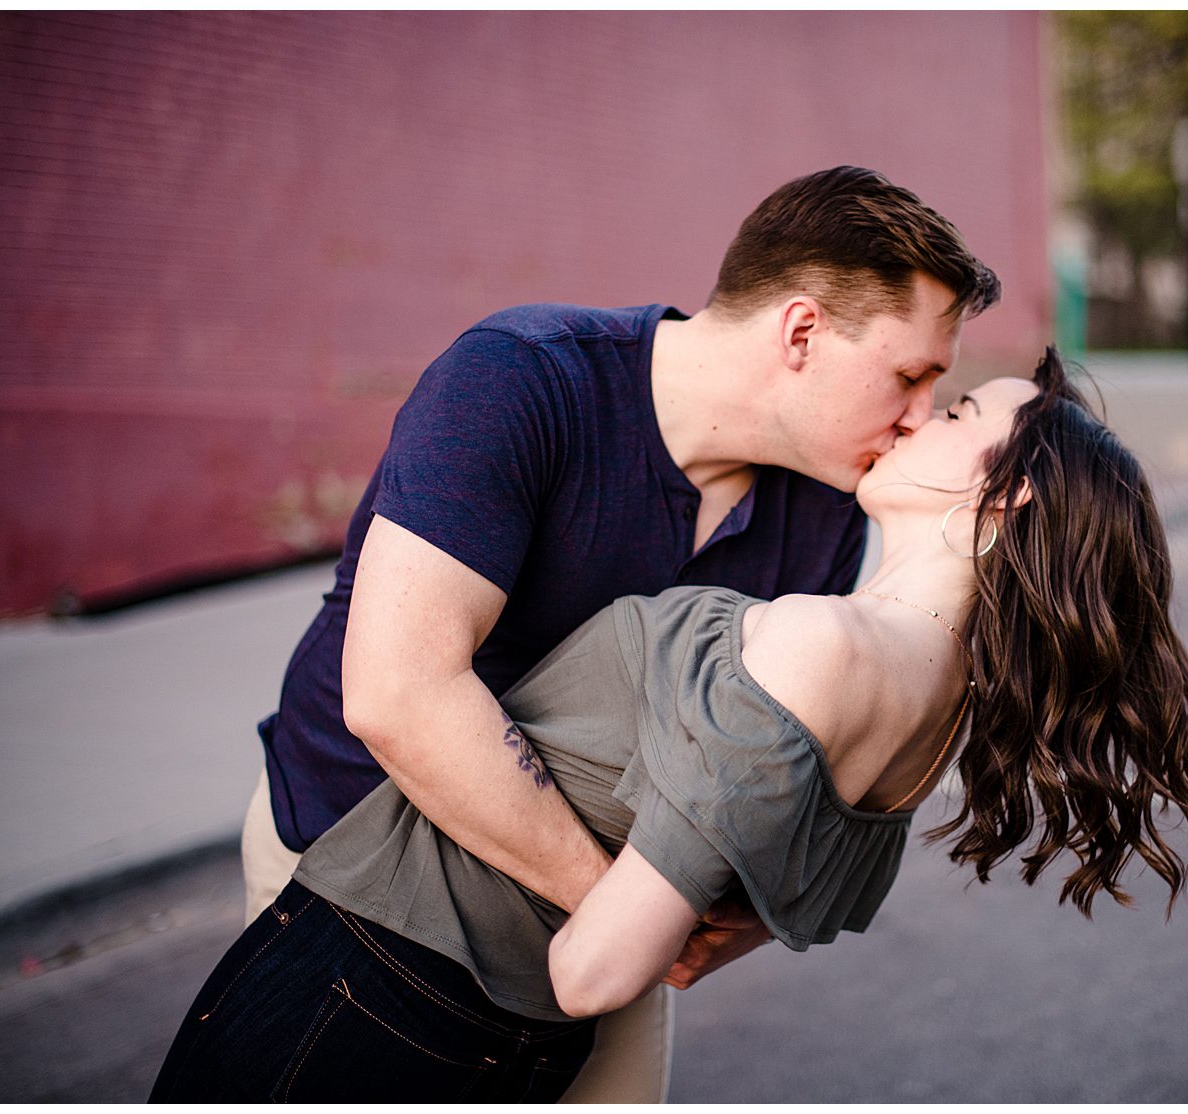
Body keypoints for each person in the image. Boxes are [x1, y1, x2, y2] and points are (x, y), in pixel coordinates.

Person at [154, 349, 1188, 1101]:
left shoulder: (828, 644)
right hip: (499, 1035)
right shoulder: (934, 718)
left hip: (370, 978)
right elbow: (737, 913)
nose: (924, 412)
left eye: (956, 412)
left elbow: (599, 968)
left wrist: (633, 914)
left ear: (1008, 502)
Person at [241, 165, 1000, 1100]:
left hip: (597, 903)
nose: (919, 415)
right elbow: (400, 694)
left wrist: (677, 911)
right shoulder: (522, 377)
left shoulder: (830, 503)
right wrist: (625, 913)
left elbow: (763, 763)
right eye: (910, 374)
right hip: (358, 867)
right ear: (802, 331)